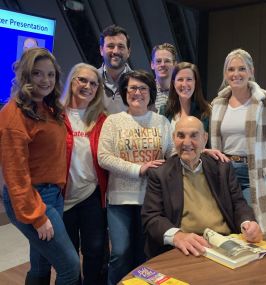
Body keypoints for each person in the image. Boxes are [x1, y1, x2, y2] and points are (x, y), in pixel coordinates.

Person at [0, 48, 80, 285]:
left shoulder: (48, 108)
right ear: (25, 75)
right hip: (32, 199)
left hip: (52, 194)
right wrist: (37, 216)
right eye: (37, 73)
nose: (45, 80)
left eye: (50, 74)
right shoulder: (13, 116)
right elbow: (16, 176)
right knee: (70, 267)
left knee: (41, 262)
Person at [141, 116, 263, 258]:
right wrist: (177, 236)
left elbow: (238, 204)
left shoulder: (222, 167)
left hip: (225, 243)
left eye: (194, 135)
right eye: (181, 135)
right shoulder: (159, 173)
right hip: (184, 249)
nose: (187, 142)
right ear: (174, 138)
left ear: (205, 139)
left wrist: (247, 223)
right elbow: (151, 217)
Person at [98, 70, 174, 285]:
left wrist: (199, 152)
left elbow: (173, 154)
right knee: (120, 253)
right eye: (132, 88)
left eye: (143, 88)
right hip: (120, 199)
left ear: (150, 93)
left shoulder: (161, 122)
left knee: (145, 255)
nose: (137, 93)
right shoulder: (113, 122)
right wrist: (139, 169)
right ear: (124, 92)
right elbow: (104, 157)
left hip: (151, 200)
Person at [211, 48, 266, 234]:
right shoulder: (218, 104)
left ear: (251, 71)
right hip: (225, 171)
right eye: (231, 69)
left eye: (242, 69)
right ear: (226, 74)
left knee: (251, 227)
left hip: (254, 172)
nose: (236, 74)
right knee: (228, 226)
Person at [61, 63, 108, 285]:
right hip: (61, 197)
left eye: (93, 83)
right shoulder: (55, 114)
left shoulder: (101, 119)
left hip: (91, 195)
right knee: (68, 256)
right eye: (82, 80)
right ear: (72, 81)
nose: (87, 86)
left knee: (94, 251)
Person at [164, 62, 211, 133]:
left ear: (195, 82)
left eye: (189, 79)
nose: (184, 84)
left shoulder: (207, 112)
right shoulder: (165, 111)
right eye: (180, 79)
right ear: (174, 83)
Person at [98, 24, 132, 114]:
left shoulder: (140, 83)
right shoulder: (90, 81)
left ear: (128, 52)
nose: (115, 51)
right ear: (101, 50)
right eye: (111, 46)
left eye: (121, 47)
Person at [150, 43, 177, 113]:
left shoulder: (181, 91)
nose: (162, 64)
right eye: (158, 61)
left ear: (175, 64)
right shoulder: (145, 91)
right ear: (152, 65)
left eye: (167, 61)